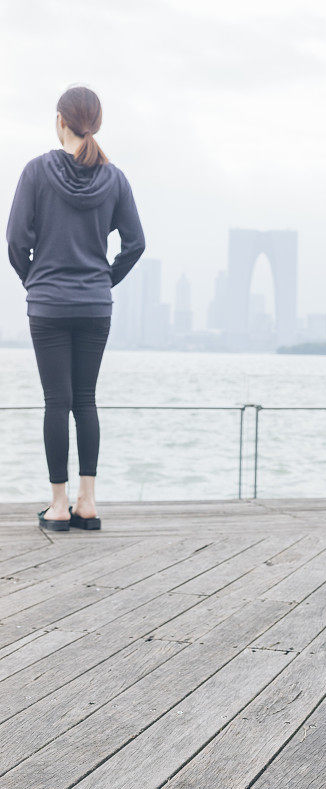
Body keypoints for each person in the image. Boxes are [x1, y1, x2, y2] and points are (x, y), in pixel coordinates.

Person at [6, 85, 145, 532]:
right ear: (96, 124)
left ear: (60, 121)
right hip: (94, 306)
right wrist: (103, 280)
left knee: (56, 401)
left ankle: (59, 505)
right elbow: (135, 243)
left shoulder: (35, 171)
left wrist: (37, 281)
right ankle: (88, 502)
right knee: (85, 400)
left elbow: (15, 242)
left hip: (47, 305)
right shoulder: (115, 178)